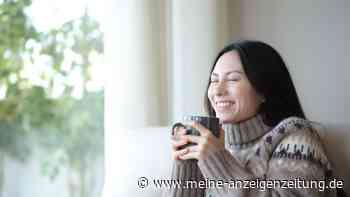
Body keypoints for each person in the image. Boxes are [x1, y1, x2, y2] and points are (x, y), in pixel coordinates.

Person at [163, 40, 341, 197]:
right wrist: (186, 164)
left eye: (233, 79)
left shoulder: (297, 138)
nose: (217, 91)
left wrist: (217, 161)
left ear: (263, 90)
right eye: (214, 80)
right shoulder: (215, 145)